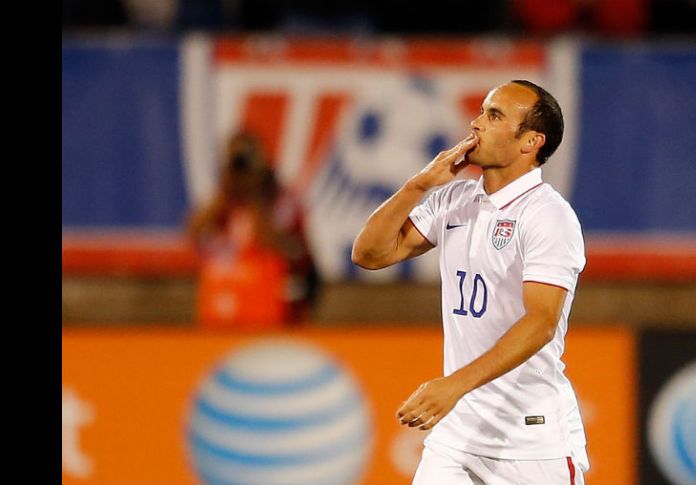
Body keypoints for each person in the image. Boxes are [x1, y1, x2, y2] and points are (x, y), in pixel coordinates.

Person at [351, 80, 589, 484]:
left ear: (530, 141)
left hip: (529, 439)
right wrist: (419, 185)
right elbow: (369, 254)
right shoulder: (454, 199)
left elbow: (541, 323)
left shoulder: (548, 215)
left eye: (494, 116)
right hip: (456, 434)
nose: (476, 123)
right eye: (481, 111)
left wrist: (453, 385)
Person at [187, 130, 319, 328]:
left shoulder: (282, 200)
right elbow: (194, 233)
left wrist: (256, 195)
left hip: (271, 310)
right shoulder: (224, 202)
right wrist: (226, 190)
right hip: (223, 308)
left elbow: (275, 245)